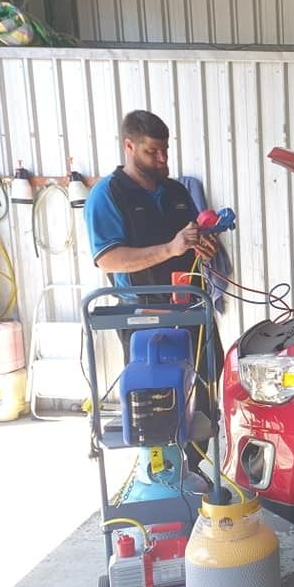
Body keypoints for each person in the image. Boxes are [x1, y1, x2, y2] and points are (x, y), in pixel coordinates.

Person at [84, 110, 223, 469]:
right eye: (152, 152)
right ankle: (161, 473)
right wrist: (170, 248)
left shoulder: (176, 191)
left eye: (165, 151)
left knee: (207, 383)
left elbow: (193, 240)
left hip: (191, 307)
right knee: (157, 400)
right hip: (143, 316)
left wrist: (203, 246)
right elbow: (108, 259)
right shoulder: (108, 194)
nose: (162, 159)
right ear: (129, 146)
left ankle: (194, 469)